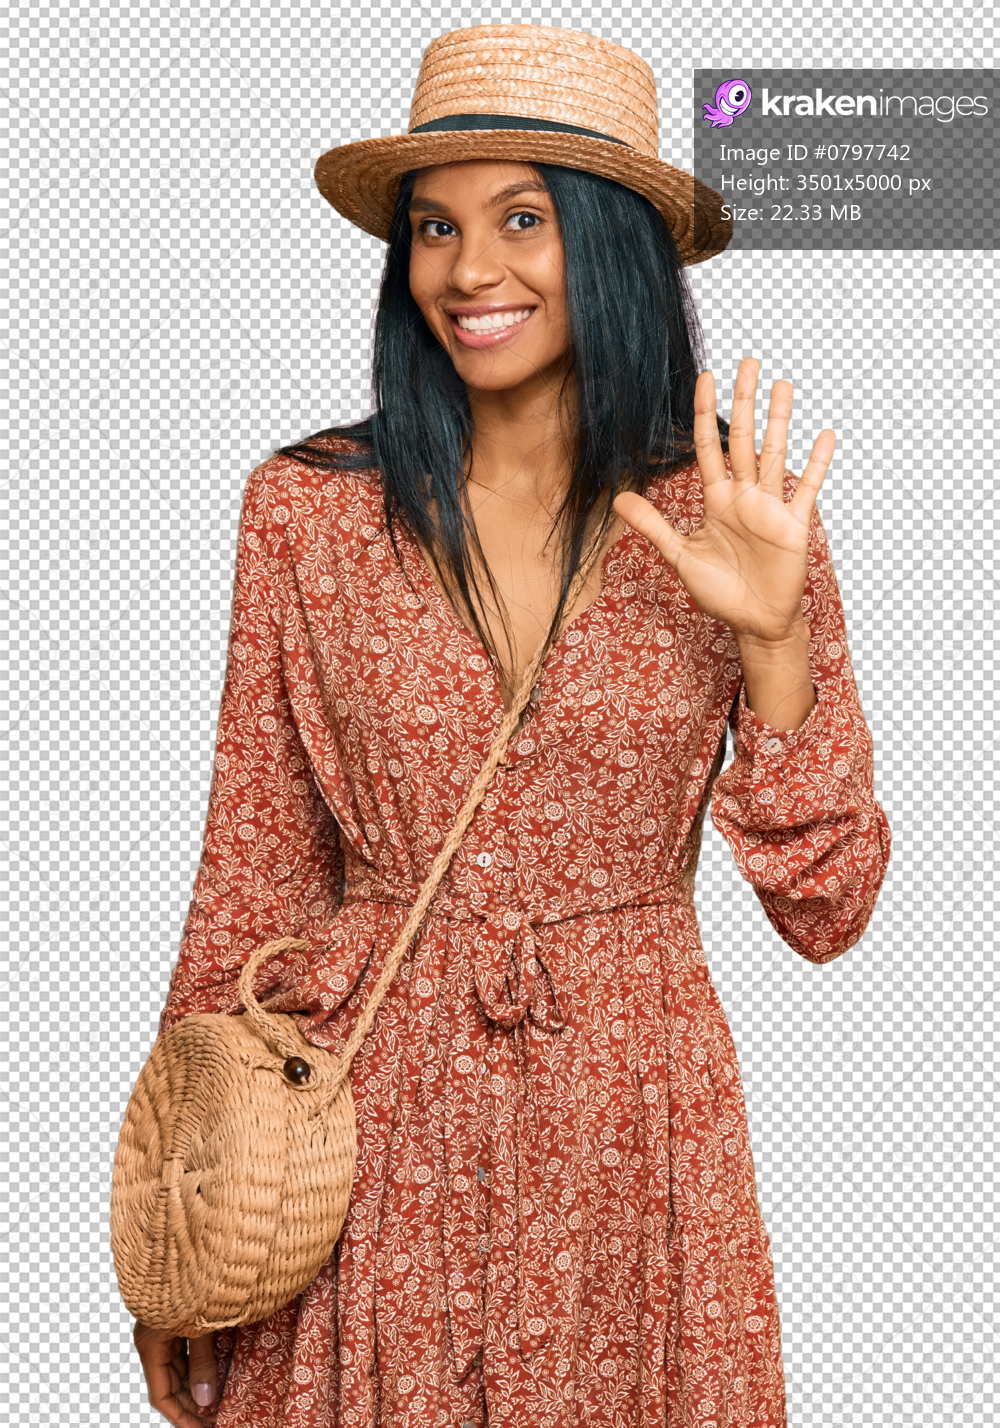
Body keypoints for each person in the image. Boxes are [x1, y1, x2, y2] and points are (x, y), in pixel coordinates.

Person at [132, 23, 890, 1428]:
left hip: (632, 1120)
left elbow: (829, 908)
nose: (467, 271)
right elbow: (252, 863)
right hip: (371, 1114)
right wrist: (178, 1236)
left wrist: (773, 634)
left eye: (521, 220)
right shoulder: (307, 513)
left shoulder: (735, 513)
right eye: (434, 229)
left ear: (608, 247)